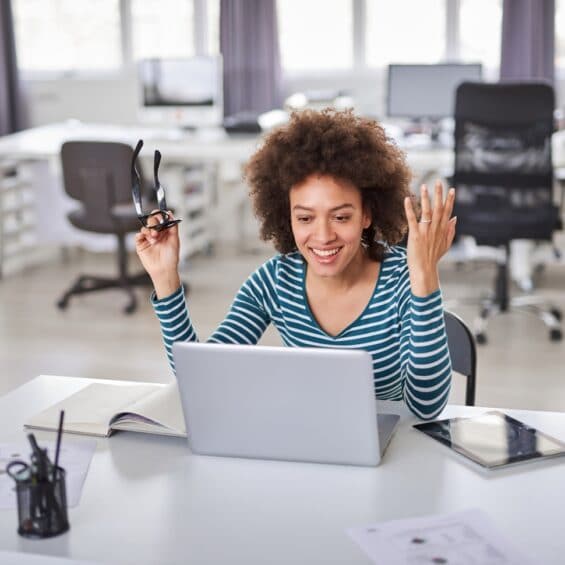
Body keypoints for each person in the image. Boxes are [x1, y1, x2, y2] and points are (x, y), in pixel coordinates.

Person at [135, 109, 457, 420]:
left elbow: (425, 407)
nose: (323, 236)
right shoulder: (273, 282)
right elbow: (202, 379)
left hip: (395, 454)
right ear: (287, 217)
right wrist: (166, 279)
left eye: (341, 217)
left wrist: (425, 275)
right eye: (305, 218)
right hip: (307, 445)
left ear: (367, 215)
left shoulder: (404, 280)